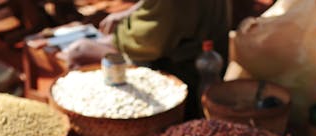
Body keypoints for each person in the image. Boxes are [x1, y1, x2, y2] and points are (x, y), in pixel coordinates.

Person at [59, 0, 231, 117]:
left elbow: (149, 44)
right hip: (202, 50)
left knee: (78, 51)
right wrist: (128, 13)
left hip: (182, 68)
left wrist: (117, 37)